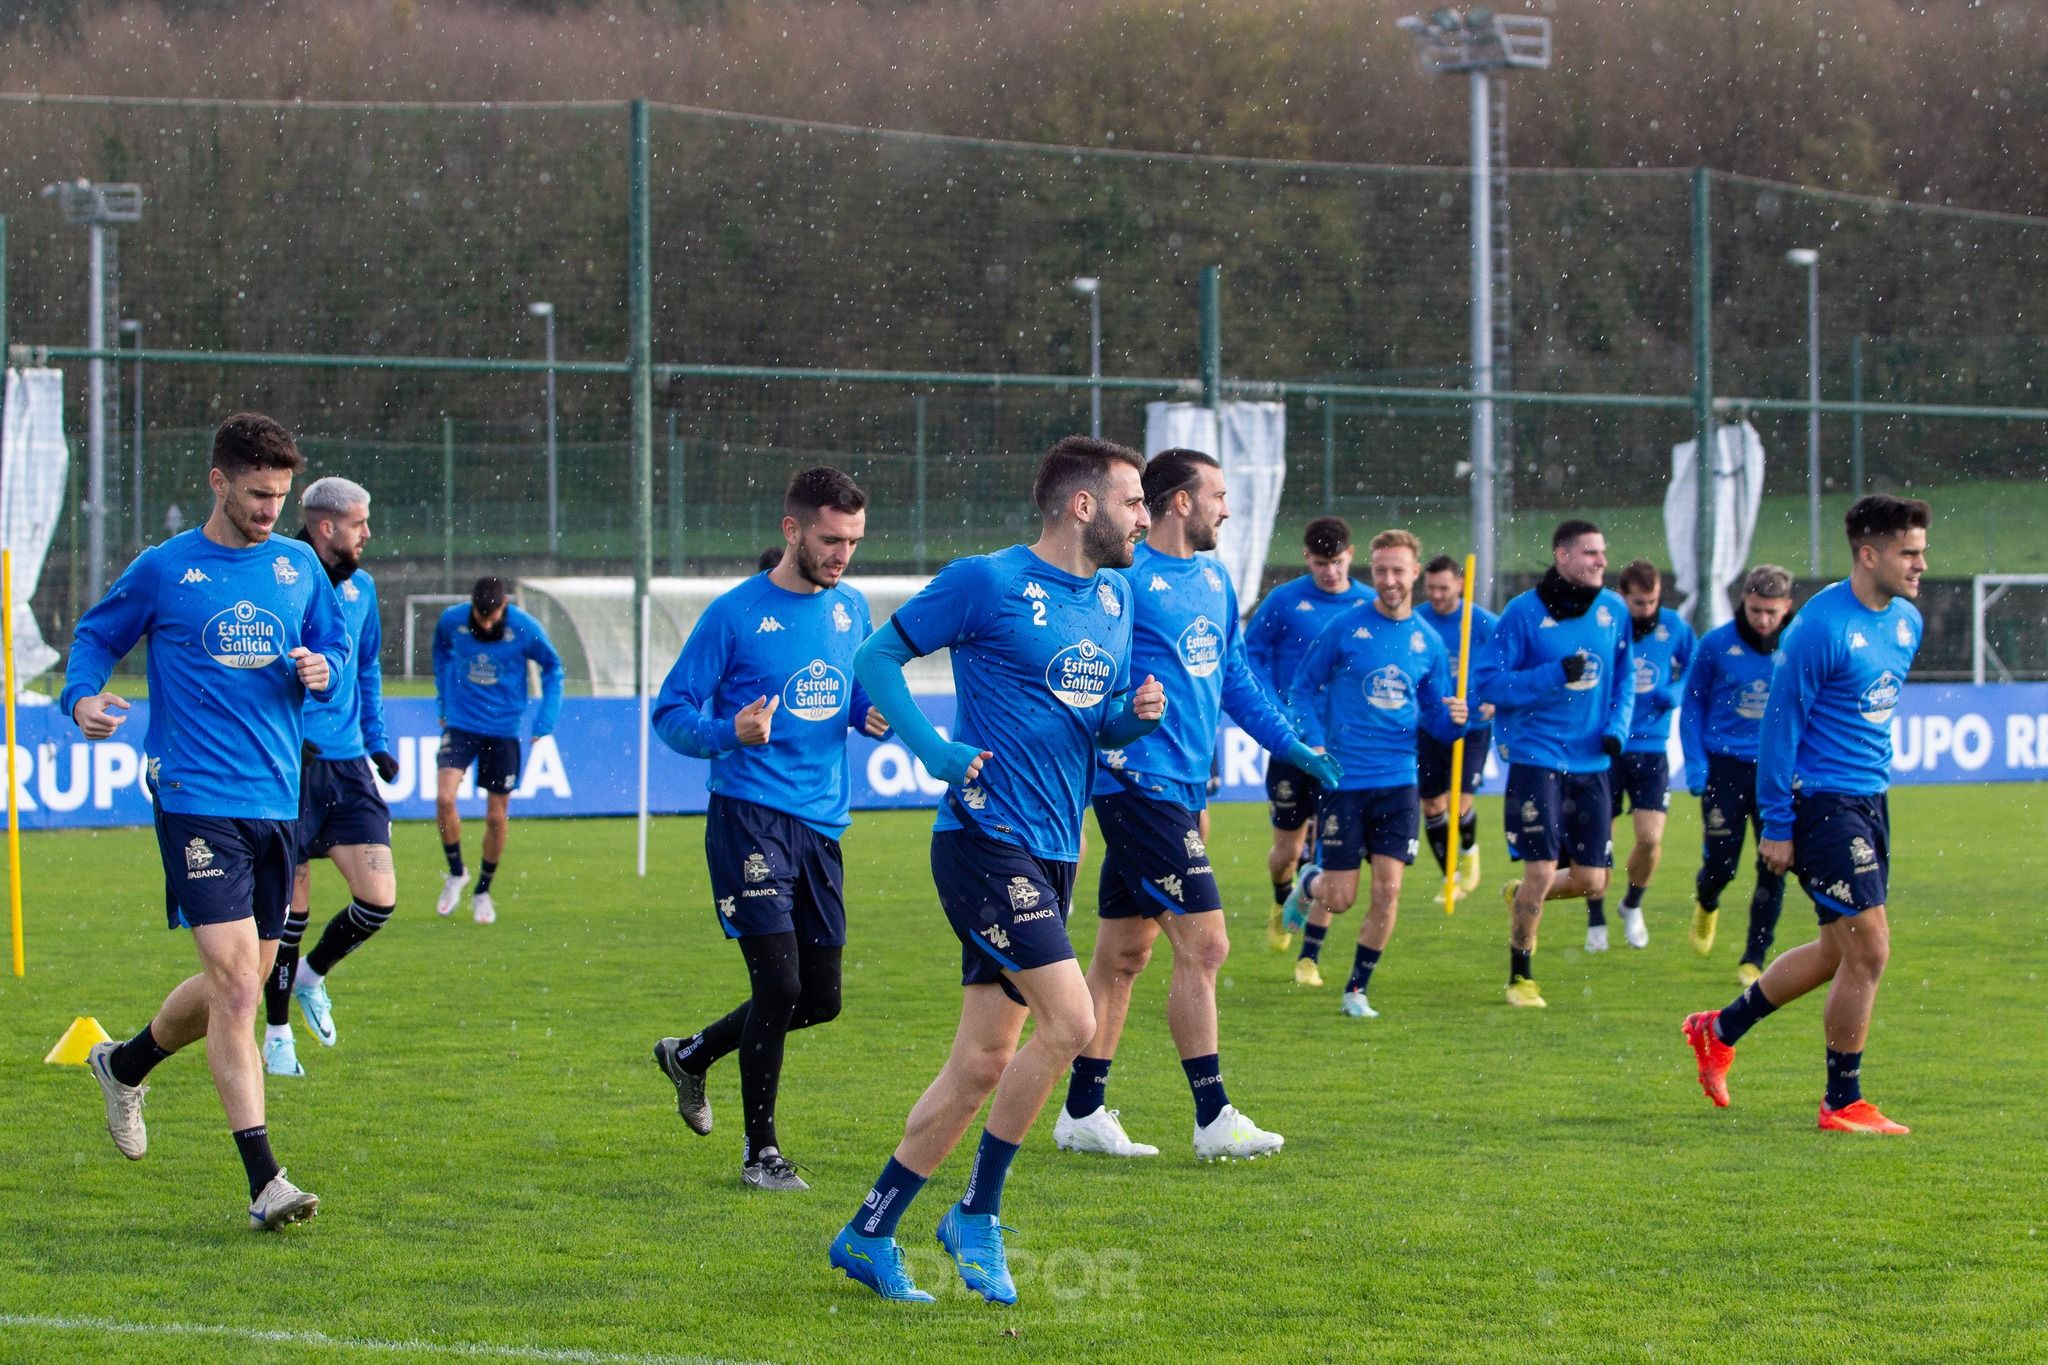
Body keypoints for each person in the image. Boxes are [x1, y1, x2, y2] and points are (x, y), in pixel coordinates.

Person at [828, 436, 1164, 1305]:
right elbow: (874, 659)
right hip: (983, 839)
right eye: (1133, 501)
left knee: (982, 1061)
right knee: (1075, 1019)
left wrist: (1131, 717)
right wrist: (936, 748)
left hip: (1055, 849)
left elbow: (1096, 729)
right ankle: (976, 1212)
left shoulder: (1117, 597)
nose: (1145, 517)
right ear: (1082, 505)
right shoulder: (986, 580)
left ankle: (867, 1231)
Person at [67, 412, 349, 1229]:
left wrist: (321, 670)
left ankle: (123, 1063)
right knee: (236, 984)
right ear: (218, 481)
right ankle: (266, 1182)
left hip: (273, 800)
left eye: (280, 496)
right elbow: (95, 636)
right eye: (258, 494)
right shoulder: (165, 570)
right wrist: (82, 696)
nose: (270, 510)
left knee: (245, 981)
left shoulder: (299, 566)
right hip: (193, 796)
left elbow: (330, 658)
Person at [1056, 448, 1337, 1161]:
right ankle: (1213, 1116)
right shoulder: (1126, 581)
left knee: (1124, 953)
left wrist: (1292, 744)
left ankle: (1082, 1110)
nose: (1227, 508)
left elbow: (1234, 676)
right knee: (1207, 943)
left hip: (1182, 786)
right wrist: (1120, 718)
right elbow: (1091, 671)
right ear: (1179, 501)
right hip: (1134, 783)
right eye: (1217, 493)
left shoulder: (1212, 577)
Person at [648, 467, 890, 1190]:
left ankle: (691, 1055)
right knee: (780, 982)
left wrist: (859, 713)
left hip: (820, 825)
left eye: (853, 540)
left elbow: (840, 691)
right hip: (749, 817)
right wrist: (730, 730)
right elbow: (670, 712)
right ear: (792, 531)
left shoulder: (852, 610)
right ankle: (762, 1153)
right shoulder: (734, 615)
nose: (843, 553)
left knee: (821, 998)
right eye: (830, 538)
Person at [1684, 497, 1927, 1134]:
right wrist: (1779, 823)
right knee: (1870, 951)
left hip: (1871, 800)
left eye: (1921, 551)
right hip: (1821, 804)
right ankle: (1841, 1101)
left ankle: (1720, 1029)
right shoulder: (1818, 627)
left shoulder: (1906, 622)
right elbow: (1778, 729)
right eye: (1908, 552)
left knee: (1832, 951)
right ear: (1868, 554)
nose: (1921, 564)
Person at [1285, 530, 1467, 1017]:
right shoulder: (1345, 628)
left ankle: (1356, 990)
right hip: (1345, 780)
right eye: (1381, 569)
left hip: (1399, 781)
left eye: (1398, 570)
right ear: (1372, 569)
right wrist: (1314, 738)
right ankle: (1309, 885)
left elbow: (1433, 719)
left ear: (1415, 573)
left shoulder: (1426, 641)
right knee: (1341, 898)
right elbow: (1302, 689)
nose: (1389, 579)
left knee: (1388, 891)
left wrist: (1456, 721)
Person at [262, 477, 400, 1077]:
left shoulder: (363, 588)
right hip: (287, 764)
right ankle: (275, 1032)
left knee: (378, 900)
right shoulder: (277, 579)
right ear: (326, 527)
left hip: (345, 765)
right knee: (287, 914)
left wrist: (377, 741)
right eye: (359, 523)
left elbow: (365, 666)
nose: (368, 533)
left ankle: (312, 978)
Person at [1472, 520, 1633, 1008]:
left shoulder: (1614, 610)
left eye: (1602, 552)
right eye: (1589, 552)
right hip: (1536, 756)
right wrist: (1550, 675)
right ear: (1561, 556)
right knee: (1542, 871)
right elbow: (1489, 685)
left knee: (1592, 881)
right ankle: (1521, 976)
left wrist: (1618, 729)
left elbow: (1625, 679)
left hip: (1592, 761)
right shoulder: (1522, 614)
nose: (1601, 561)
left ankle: (1522, 895)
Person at [1243, 516, 1368, 959]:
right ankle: (1281, 897)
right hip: (1292, 745)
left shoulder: (1368, 606)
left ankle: (1310, 955)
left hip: (1342, 747)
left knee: (1330, 846)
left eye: (1336, 562)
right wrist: (1275, 706)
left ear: (1351, 554)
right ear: (1307, 559)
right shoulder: (1284, 601)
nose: (1329, 572)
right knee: (1286, 850)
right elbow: (1249, 655)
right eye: (1320, 564)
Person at [1680, 565, 1796, 984]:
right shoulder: (1714, 645)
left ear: (1786, 607)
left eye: (1771, 611)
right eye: (1755, 609)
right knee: (1722, 866)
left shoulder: (1797, 646)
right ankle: (1707, 901)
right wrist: (1696, 765)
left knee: (1774, 864)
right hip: (1725, 769)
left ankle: (1754, 956)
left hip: (1777, 772)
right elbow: (1691, 705)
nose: (1763, 619)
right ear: (1743, 601)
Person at [431, 576, 564, 924]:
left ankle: (483, 890)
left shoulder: (524, 628)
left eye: (492, 617)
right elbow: (440, 650)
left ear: (504, 605)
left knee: (495, 816)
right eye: (480, 616)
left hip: (503, 730)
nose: (486, 623)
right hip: (460, 725)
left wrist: (544, 720)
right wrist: (443, 701)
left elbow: (553, 668)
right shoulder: (452, 620)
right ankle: (456, 872)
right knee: (445, 799)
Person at [1594, 560, 1696, 952]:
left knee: (1650, 839)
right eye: (1638, 603)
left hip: (1651, 747)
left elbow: (1695, 666)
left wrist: (1677, 690)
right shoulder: (1606, 624)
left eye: (1652, 601)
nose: (1647, 610)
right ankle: (1595, 919)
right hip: (1606, 744)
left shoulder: (1673, 626)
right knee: (1600, 838)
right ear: (1623, 597)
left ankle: (1631, 904)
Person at [1416, 554, 1498, 902]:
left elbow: (1511, 662)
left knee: (1460, 801)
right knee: (1432, 806)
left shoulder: (1482, 623)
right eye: (1431, 587)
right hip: (1430, 723)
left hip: (1474, 723)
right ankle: (1449, 876)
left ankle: (1469, 852)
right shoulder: (1417, 619)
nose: (1436, 595)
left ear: (1460, 585)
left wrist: (1497, 696)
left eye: (1443, 588)